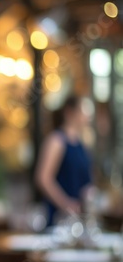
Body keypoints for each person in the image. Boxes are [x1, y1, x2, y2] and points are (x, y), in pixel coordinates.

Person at [35, 95, 93, 227]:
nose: (87, 116)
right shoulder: (57, 141)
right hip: (60, 220)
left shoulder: (81, 144)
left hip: (78, 220)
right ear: (69, 112)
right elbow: (43, 178)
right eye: (84, 110)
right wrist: (66, 204)